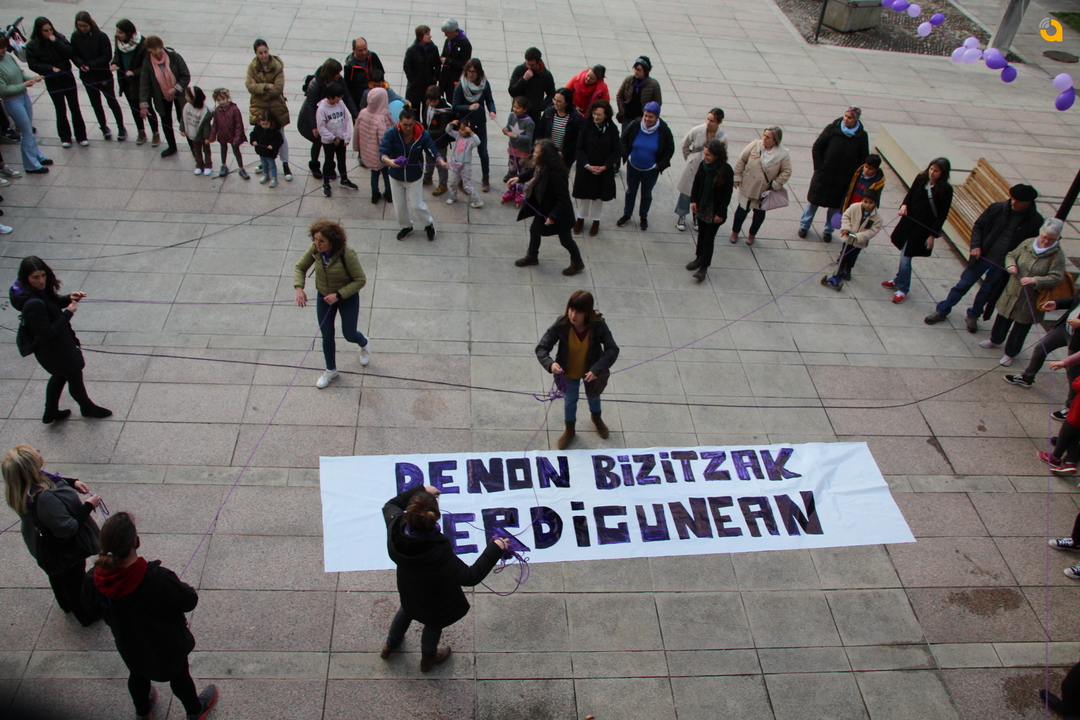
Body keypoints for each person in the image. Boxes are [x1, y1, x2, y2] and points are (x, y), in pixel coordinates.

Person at [82, 512, 219, 720]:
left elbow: (90, 609)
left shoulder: (94, 579)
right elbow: (189, 601)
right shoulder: (159, 579)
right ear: (135, 542)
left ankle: (143, 712)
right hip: (167, 645)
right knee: (179, 676)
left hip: (129, 645)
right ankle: (195, 710)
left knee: (137, 675)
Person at [380, 484, 508, 672]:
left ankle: (389, 646)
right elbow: (470, 577)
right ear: (434, 518)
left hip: (409, 589)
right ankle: (428, 658)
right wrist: (495, 549)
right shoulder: (438, 553)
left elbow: (390, 504)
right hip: (434, 600)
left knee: (406, 610)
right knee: (433, 624)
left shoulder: (394, 525)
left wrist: (420, 490)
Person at [3, 444, 101, 626]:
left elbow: (51, 480)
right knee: (74, 581)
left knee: (57, 574)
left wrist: (72, 483)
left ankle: (65, 604)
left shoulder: (21, 488)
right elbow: (68, 528)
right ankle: (85, 615)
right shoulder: (45, 499)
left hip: (44, 547)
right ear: (32, 468)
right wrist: (89, 505)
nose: (39, 452)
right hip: (66, 549)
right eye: (35, 454)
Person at [924, 183, 1044, 330]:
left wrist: (1015, 263)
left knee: (986, 292)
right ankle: (942, 310)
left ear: (1028, 203)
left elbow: (1030, 245)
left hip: (1003, 264)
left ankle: (973, 315)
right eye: (1012, 199)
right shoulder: (997, 208)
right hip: (983, 256)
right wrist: (976, 246)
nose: (1013, 203)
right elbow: (979, 226)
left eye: (1018, 201)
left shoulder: (1035, 220)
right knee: (963, 285)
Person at [9, 256, 112, 422]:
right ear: (26, 278)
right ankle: (87, 407)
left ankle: (51, 411)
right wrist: (68, 313)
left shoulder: (35, 292)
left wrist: (69, 297)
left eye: (43, 275)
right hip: (56, 351)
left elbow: (53, 303)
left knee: (60, 376)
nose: (41, 281)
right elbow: (46, 333)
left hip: (55, 349)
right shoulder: (34, 304)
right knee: (74, 377)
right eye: (35, 277)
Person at [536, 290, 620, 449]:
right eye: (571, 309)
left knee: (594, 397)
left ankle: (596, 418)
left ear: (587, 313)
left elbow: (612, 349)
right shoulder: (562, 324)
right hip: (568, 372)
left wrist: (597, 369)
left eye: (578, 312)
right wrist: (550, 364)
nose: (573, 315)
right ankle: (570, 430)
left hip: (592, 373)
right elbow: (541, 348)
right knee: (570, 401)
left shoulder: (598, 325)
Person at [293, 219, 371, 388]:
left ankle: (364, 343)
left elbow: (360, 280)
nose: (317, 244)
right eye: (315, 239)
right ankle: (331, 371)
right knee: (327, 334)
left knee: (349, 334)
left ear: (332, 241)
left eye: (321, 241)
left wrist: (338, 295)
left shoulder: (347, 254)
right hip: (324, 297)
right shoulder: (315, 250)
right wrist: (299, 288)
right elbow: (300, 267)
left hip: (346, 298)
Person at [978, 219, 1065, 366]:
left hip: (1031, 298)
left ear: (1058, 238)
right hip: (1012, 291)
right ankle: (995, 340)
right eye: (1044, 237)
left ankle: (1010, 353)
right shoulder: (1028, 243)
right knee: (1002, 318)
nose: (1046, 241)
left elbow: (1056, 277)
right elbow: (1011, 255)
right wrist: (1011, 266)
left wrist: (1035, 280)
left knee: (1021, 327)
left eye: (1051, 239)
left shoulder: (1057, 255)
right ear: (1040, 233)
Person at [883, 158, 953, 304]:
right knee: (903, 251)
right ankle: (898, 279)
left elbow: (942, 214)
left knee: (906, 257)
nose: (932, 173)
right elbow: (910, 194)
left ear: (943, 173)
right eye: (931, 169)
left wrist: (932, 235)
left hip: (923, 228)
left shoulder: (946, 190)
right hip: (909, 222)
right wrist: (904, 205)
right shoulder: (921, 178)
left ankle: (903, 288)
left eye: (936, 171)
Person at [511, 139, 584, 276]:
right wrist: (519, 178)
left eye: (537, 152)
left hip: (559, 214)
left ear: (545, 155)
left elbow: (563, 199)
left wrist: (553, 216)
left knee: (566, 240)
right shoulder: (542, 167)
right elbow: (532, 172)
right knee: (534, 230)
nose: (534, 153)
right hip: (544, 208)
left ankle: (577, 262)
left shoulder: (557, 174)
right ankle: (532, 256)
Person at [798, 107, 869, 242]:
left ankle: (828, 230)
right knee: (813, 202)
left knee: (835, 207)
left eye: (850, 117)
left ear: (856, 119)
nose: (846, 119)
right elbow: (818, 147)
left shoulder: (862, 136)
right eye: (845, 116)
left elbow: (863, 158)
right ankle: (804, 226)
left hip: (843, 178)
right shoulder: (832, 128)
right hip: (824, 173)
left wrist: (852, 172)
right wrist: (819, 167)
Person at [380, 107, 447, 241]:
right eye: (405, 125)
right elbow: (383, 152)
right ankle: (406, 226)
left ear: (415, 122)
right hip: (396, 175)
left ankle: (428, 224)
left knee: (417, 205)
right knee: (399, 206)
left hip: (414, 175)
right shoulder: (391, 133)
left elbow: (431, 149)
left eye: (410, 125)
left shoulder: (422, 134)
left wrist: (440, 160)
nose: (408, 128)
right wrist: (389, 161)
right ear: (399, 122)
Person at [25, 17, 88, 149]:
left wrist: (55, 42)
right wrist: (49, 68)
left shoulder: (59, 38)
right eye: (45, 31)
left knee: (75, 107)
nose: (49, 32)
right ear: (39, 31)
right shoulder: (32, 45)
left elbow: (69, 53)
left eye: (50, 29)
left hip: (66, 77)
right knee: (60, 109)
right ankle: (65, 137)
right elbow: (33, 64)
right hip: (52, 80)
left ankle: (81, 136)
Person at [616, 101, 674, 231]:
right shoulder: (635, 124)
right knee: (631, 191)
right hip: (633, 166)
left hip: (651, 170)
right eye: (645, 115)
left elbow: (670, 149)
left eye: (651, 116)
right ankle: (627, 214)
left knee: (646, 194)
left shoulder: (664, 130)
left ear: (657, 117)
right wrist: (627, 155)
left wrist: (660, 165)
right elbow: (623, 139)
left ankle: (643, 216)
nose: (647, 119)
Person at [297, 59, 357, 180]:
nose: (339, 75)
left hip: (330, 114)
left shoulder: (338, 80)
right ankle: (314, 165)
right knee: (318, 141)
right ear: (330, 73)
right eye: (337, 73)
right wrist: (314, 126)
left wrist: (355, 115)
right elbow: (310, 106)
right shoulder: (315, 84)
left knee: (329, 144)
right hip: (313, 116)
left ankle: (329, 167)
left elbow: (347, 96)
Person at [731, 126, 791, 246]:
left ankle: (752, 235)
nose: (764, 138)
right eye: (764, 135)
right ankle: (735, 232)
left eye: (768, 137)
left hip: (764, 190)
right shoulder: (755, 145)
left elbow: (786, 171)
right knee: (741, 212)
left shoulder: (783, 154)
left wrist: (775, 184)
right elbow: (742, 160)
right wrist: (737, 176)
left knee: (759, 215)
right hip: (749, 186)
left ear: (775, 140)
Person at [71, 12, 126, 141]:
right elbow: (73, 54)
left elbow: (107, 55)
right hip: (87, 76)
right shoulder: (75, 37)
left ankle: (121, 127)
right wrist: (80, 64)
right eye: (80, 26)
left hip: (103, 74)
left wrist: (92, 65)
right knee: (96, 103)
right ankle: (103, 127)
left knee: (111, 101)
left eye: (84, 25)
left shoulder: (101, 36)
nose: (82, 28)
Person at [0, 39, 51, 174]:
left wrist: (31, 78)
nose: (3, 50)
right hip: (12, 101)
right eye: (0, 48)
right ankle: (31, 165)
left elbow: (20, 72)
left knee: (29, 128)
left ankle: (37, 156)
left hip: (23, 96)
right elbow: (3, 90)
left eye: (4, 47)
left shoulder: (8, 56)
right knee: (26, 132)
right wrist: (24, 85)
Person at [685, 139, 733, 283]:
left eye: (708, 154)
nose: (705, 157)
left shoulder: (726, 170)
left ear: (717, 155)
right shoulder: (703, 165)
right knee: (701, 235)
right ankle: (698, 258)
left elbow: (727, 194)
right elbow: (696, 183)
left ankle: (704, 267)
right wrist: (694, 200)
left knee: (708, 239)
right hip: (702, 207)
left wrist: (721, 213)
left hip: (714, 211)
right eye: (705, 153)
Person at [245, 39, 292, 181]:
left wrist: (259, 88)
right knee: (261, 135)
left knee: (280, 137)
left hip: (276, 107)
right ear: (256, 53)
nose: (264, 55)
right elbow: (249, 85)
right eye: (260, 53)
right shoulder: (252, 66)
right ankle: (265, 160)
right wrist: (267, 86)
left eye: (265, 51)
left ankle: (285, 163)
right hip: (259, 108)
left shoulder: (277, 65)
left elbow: (278, 88)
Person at [572, 99, 620, 237]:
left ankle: (596, 220)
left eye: (599, 114)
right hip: (586, 168)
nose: (596, 117)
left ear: (606, 115)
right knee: (583, 196)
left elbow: (616, 150)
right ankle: (580, 218)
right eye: (594, 113)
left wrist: (605, 166)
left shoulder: (612, 129)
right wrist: (587, 165)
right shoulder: (586, 126)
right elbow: (579, 148)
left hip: (603, 169)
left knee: (598, 197)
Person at [675, 108, 727, 232]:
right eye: (708, 119)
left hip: (709, 169)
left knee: (702, 192)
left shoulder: (723, 137)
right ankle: (682, 215)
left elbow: (722, 154)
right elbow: (685, 143)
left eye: (712, 121)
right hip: (694, 165)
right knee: (686, 191)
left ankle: (696, 216)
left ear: (719, 122)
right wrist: (689, 157)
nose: (709, 122)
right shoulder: (697, 130)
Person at [138, 36, 189, 158]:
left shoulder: (174, 56)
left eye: (158, 51)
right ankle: (172, 147)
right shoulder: (147, 62)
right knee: (166, 121)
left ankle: (194, 148)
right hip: (161, 96)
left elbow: (185, 75)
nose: (157, 55)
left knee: (184, 120)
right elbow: (144, 83)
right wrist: (143, 105)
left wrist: (175, 88)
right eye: (153, 52)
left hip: (179, 94)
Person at [821, 190, 883, 290]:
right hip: (849, 237)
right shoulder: (854, 207)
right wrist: (846, 228)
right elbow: (846, 217)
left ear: (875, 203)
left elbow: (873, 230)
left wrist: (859, 236)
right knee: (844, 253)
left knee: (853, 255)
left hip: (860, 241)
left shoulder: (877, 217)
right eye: (865, 201)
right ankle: (840, 268)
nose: (867, 205)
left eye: (871, 203)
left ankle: (848, 269)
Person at [111, 19, 159, 146]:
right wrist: (115, 63)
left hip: (140, 82)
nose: (117, 34)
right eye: (117, 31)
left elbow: (147, 65)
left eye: (120, 32)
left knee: (147, 107)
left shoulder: (142, 44)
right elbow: (117, 54)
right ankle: (141, 131)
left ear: (128, 33)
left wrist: (134, 72)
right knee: (134, 108)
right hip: (126, 81)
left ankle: (155, 132)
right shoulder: (118, 40)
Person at [452, 58, 497, 191]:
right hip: (465, 125)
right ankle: (460, 180)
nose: (471, 74)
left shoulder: (484, 84)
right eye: (469, 71)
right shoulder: (461, 85)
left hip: (480, 122)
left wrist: (492, 111)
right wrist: (468, 107)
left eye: (474, 72)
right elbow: (455, 106)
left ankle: (485, 177)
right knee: (462, 154)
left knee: (483, 152)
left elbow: (489, 100)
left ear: (479, 72)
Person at [352, 86, 395, 203]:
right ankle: (389, 193)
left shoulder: (363, 113)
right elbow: (384, 140)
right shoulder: (382, 118)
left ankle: (374, 194)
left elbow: (357, 132)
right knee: (386, 173)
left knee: (374, 173)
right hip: (381, 155)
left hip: (368, 152)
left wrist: (357, 147)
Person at [316, 82, 357, 197]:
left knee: (342, 160)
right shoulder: (322, 109)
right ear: (330, 96)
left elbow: (346, 120)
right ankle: (326, 183)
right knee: (328, 161)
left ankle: (344, 179)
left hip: (341, 138)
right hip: (329, 141)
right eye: (338, 96)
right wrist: (332, 137)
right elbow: (321, 127)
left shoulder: (341, 104)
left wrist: (347, 136)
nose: (340, 99)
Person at [1038, 374, 1080, 476]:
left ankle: (1055, 457)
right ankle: (1070, 462)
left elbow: (1076, 384)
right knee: (1075, 437)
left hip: (1076, 415)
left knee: (1064, 434)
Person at [535, 87, 582, 168]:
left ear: (566, 103)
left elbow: (576, 139)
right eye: (554, 100)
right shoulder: (548, 113)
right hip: (546, 153)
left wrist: (563, 153)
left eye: (559, 101)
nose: (556, 103)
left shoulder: (574, 118)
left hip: (564, 156)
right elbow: (540, 130)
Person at [421, 85, 453, 194]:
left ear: (439, 98)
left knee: (441, 163)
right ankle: (428, 177)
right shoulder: (428, 105)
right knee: (429, 159)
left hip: (440, 142)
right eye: (429, 101)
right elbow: (425, 119)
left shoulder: (444, 111)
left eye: (434, 101)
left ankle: (443, 184)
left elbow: (443, 131)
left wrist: (426, 133)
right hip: (429, 139)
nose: (431, 103)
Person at [507, 47, 554, 122]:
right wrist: (523, 79)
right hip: (518, 113)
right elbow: (512, 91)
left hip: (533, 115)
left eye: (532, 65)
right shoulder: (519, 70)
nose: (529, 67)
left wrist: (541, 106)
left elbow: (551, 94)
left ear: (538, 63)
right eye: (527, 64)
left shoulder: (546, 75)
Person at [444, 119, 482, 208]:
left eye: (462, 129)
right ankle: (453, 196)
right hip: (456, 164)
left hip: (466, 165)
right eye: (459, 129)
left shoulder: (471, 140)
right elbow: (448, 130)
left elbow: (478, 142)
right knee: (453, 182)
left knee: (467, 185)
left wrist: (472, 133)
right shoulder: (458, 136)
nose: (460, 131)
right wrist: (451, 124)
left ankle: (477, 200)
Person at [615, 56, 661, 129]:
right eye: (635, 69)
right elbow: (619, 95)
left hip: (643, 119)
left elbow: (657, 103)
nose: (636, 71)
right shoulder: (628, 80)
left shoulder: (653, 84)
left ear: (646, 71)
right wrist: (622, 111)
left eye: (639, 70)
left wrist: (649, 116)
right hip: (627, 117)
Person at [403, 25, 440, 112]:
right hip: (415, 87)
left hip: (429, 85)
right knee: (414, 111)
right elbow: (407, 67)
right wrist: (412, 81)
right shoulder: (411, 50)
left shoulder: (433, 49)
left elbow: (437, 64)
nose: (430, 36)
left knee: (427, 111)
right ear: (420, 37)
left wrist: (435, 78)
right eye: (427, 34)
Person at [181, 86, 213, 175]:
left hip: (202, 136)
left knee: (206, 151)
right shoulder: (187, 106)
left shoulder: (205, 111)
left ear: (193, 98)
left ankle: (208, 165)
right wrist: (182, 129)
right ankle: (199, 165)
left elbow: (207, 126)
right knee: (196, 150)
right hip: (193, 134)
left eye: (187, 96)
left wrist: (207, 137)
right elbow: (183, 118)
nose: (185, 97)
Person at [502, 96, 534, 184]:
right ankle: (511, 186)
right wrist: (505, 130)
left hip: (523, 151)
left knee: (521, 172)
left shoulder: (529, 122)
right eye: (514, 107)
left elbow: (528, 138)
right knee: (512, 169)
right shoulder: (511, 115)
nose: (515, 109)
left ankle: (521, 188)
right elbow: (508, 127)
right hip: (512, 148)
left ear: (525, 109)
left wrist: (515, 136)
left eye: (518, 108)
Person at [342, 37, 384, 102]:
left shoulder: (373, 56)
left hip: (376, 96)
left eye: (365, 49)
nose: (364, 52)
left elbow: (381, 73)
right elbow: (347, 87)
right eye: (360, 50)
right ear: (353, 50)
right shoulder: (350, 66)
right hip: (360, 99)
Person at [438, 19, 470, 102]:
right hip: (445, 78)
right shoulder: (448, 41)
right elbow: (443, 56)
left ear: (454, 31)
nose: (445, 35)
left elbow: (465, 65)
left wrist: (448, 61)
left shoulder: (465, 44)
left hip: (455, 79)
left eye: (447, 33)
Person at [250, 110, 284, 188]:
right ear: (260, 122)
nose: (265, 126)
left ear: (270, 122)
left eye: (267, 124)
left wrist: (273, 146)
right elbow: (253, 135)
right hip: (261, 151)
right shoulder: (257, 128)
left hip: (270, 152)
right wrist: (253, 141)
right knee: (264, 164)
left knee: (272, 165)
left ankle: (274, 178)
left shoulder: (274, 131)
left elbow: (279, 140)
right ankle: (265, 175)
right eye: (263, 124)